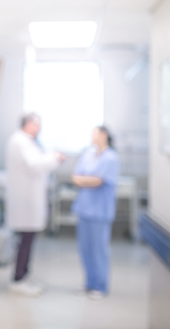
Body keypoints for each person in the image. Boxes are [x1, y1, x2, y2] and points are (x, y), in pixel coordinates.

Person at [4, 113, 65, 296]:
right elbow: (34, 165)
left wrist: (51, 157)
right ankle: (18, 279)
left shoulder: (26, 141)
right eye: (36, 125)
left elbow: (36, 162)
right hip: (26, 201)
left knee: (27, 239)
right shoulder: (19, 141)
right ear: (28, 124)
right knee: (25, 240)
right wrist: (54, 158)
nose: (39, 129)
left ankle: (22, 276)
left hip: (29, 200)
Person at [71, 125, 121, 300]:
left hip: (100, 211)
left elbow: (99, 181)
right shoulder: (88, 155)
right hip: (84, 208)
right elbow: (75, 177)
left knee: (99, 249)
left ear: (104, 135)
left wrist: (86, 179)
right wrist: (88, 180)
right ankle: (89, 283)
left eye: (95, 133)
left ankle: (101, 285)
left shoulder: (111, 158)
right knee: (85, 248)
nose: (92, 137)